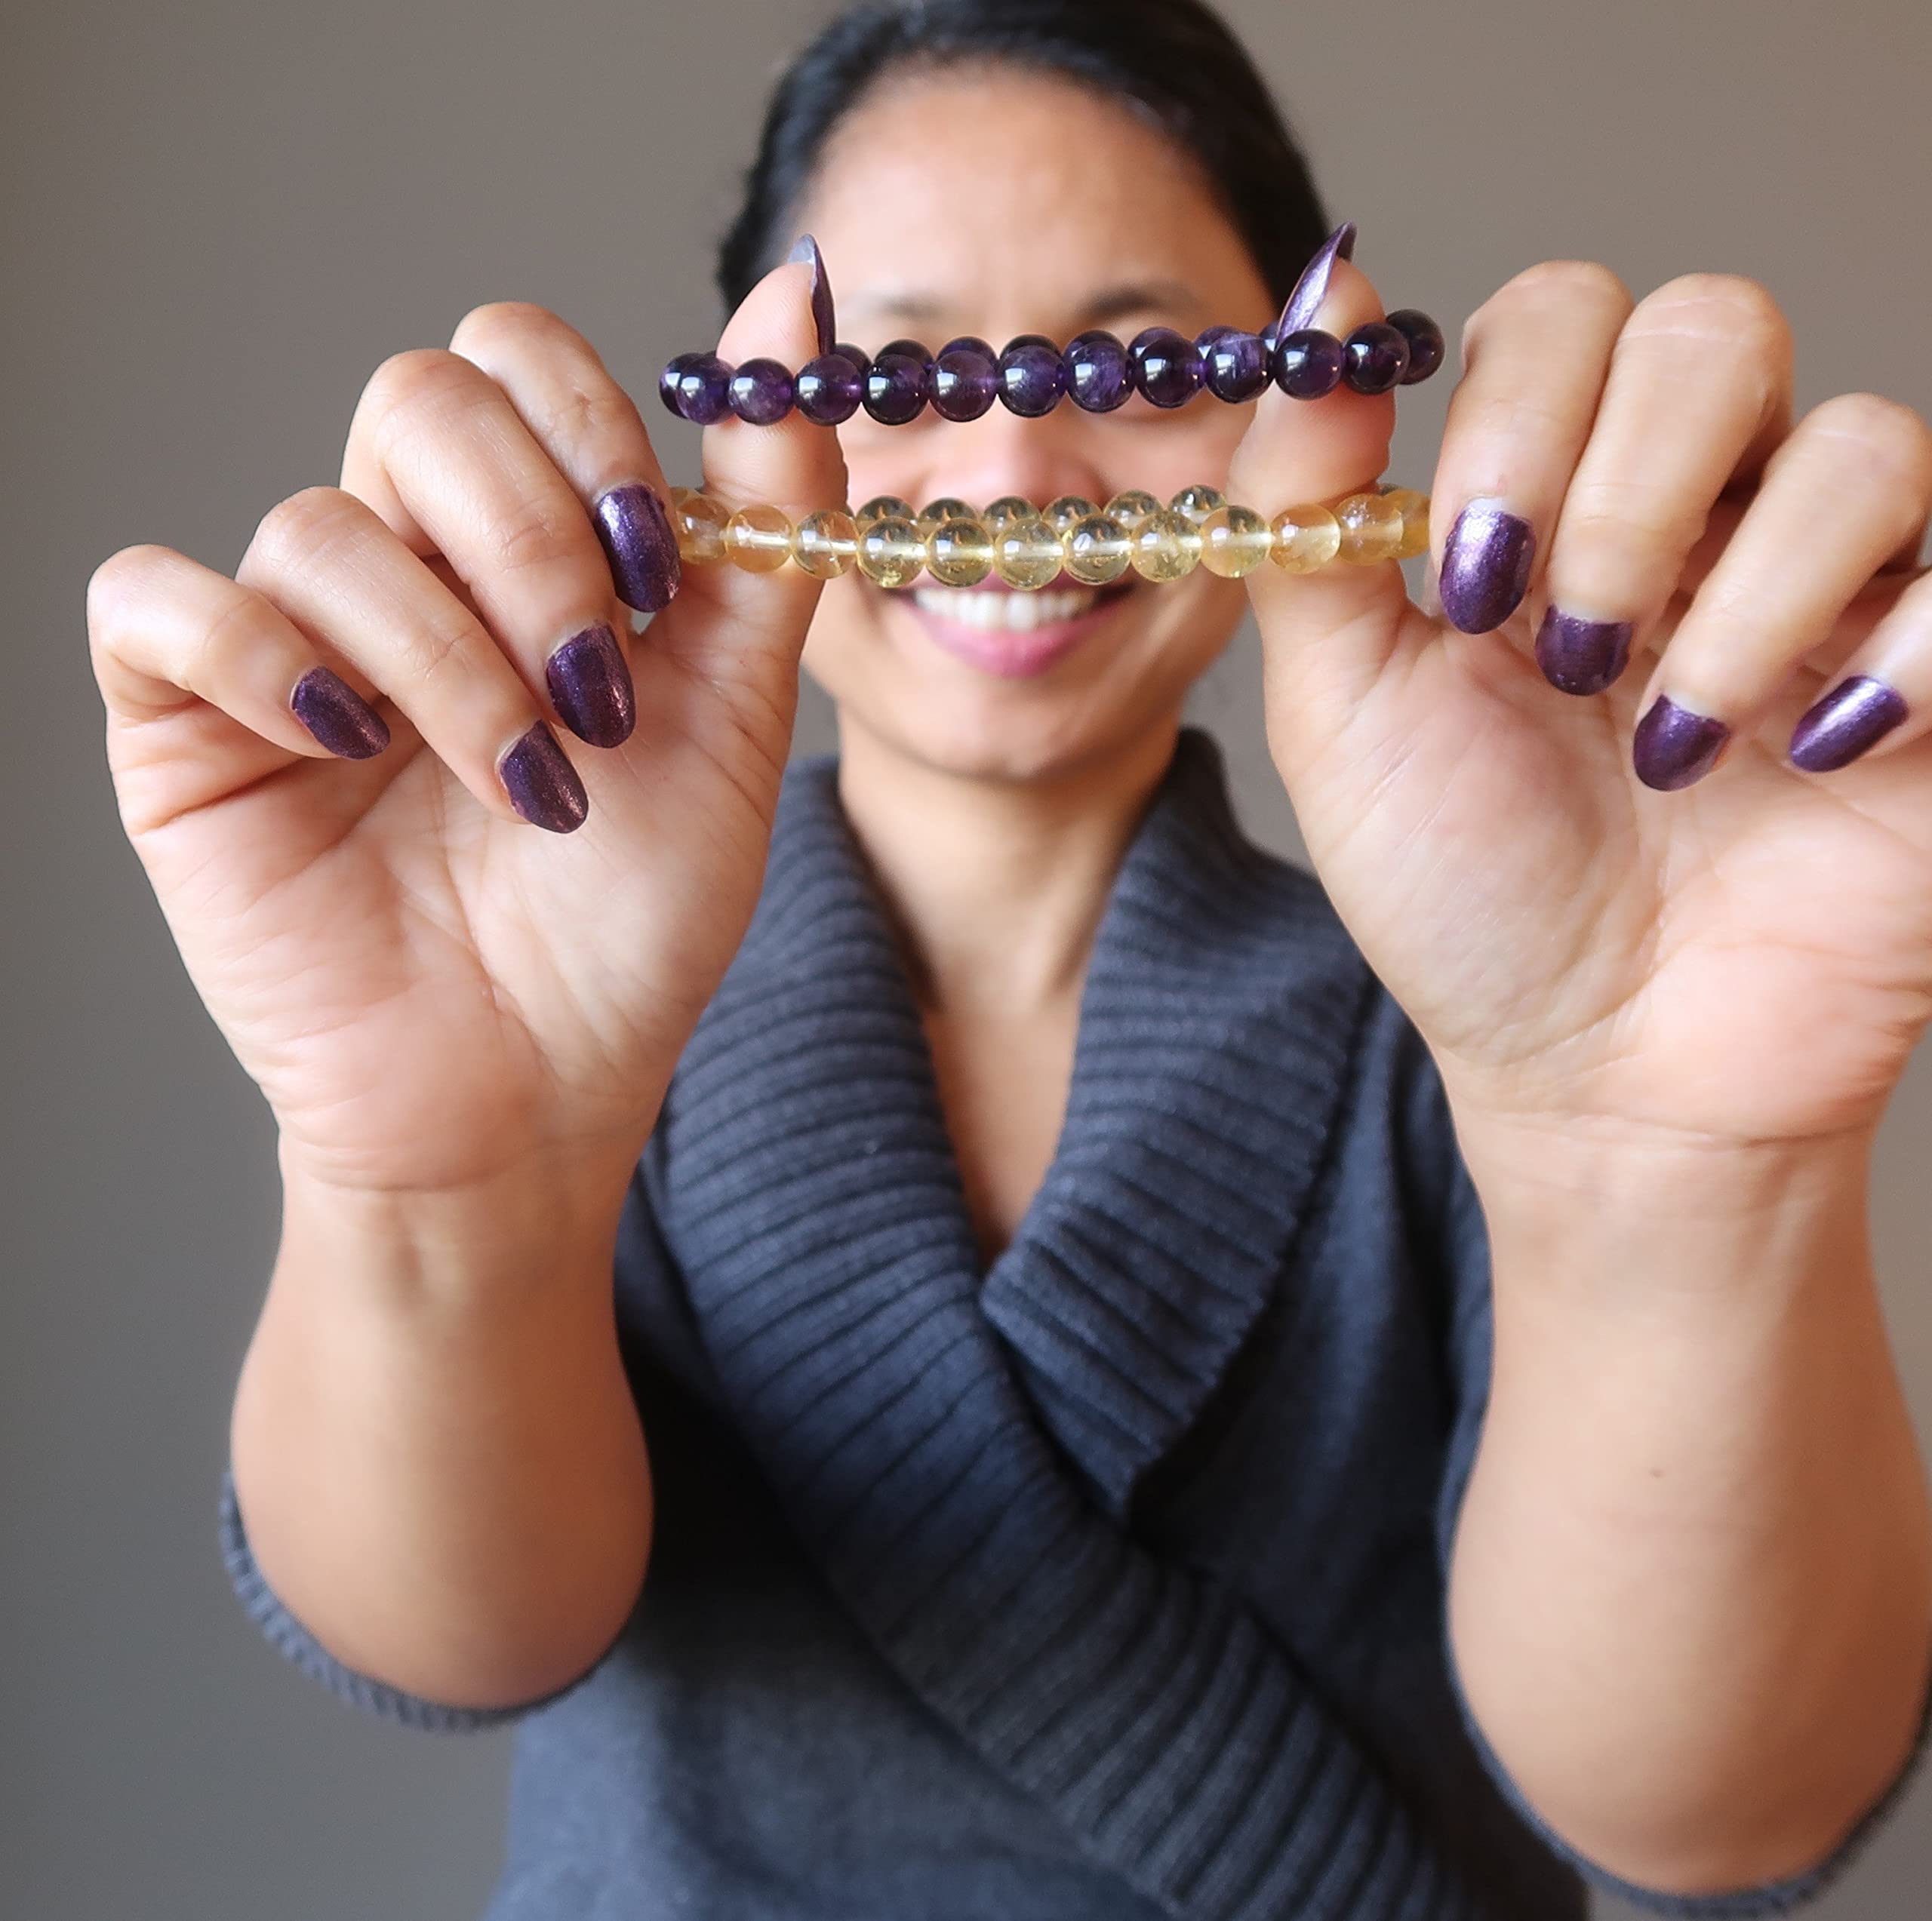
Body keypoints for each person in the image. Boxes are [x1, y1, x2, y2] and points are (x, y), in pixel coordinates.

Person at [85, 1, 1932, 1916]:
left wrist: (1674, 1184)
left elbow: (1724, 1814)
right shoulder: (557, 1004)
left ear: (1296, 407)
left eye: (1143, 361)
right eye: (893, 383)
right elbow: (442, 1638)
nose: (1010, 469)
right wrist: (440, 1180)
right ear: (748, 423)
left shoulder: (1487, 1036)